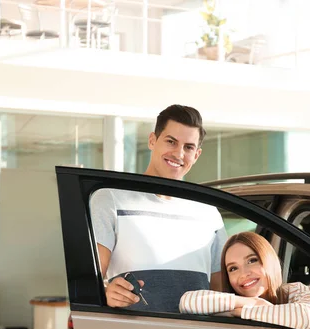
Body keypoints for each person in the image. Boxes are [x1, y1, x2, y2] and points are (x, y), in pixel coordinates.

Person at [90, 104, 227, 312]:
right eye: (171, 141)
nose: (178, 153)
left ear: (197, 154)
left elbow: (222, 292)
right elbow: (90, 281)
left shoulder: (208, 212)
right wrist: (106, 291)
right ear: (152, 140)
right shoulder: (110, 199)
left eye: (188, 147)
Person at [179, 231, 310, 329]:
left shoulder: (296, 291)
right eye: (233, 268)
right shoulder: (226, 301)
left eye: (252, 260)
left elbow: (307, 316)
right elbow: (187, 302)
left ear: (268, 259)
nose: (244, 274)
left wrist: (240, 312)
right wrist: (252, 302)